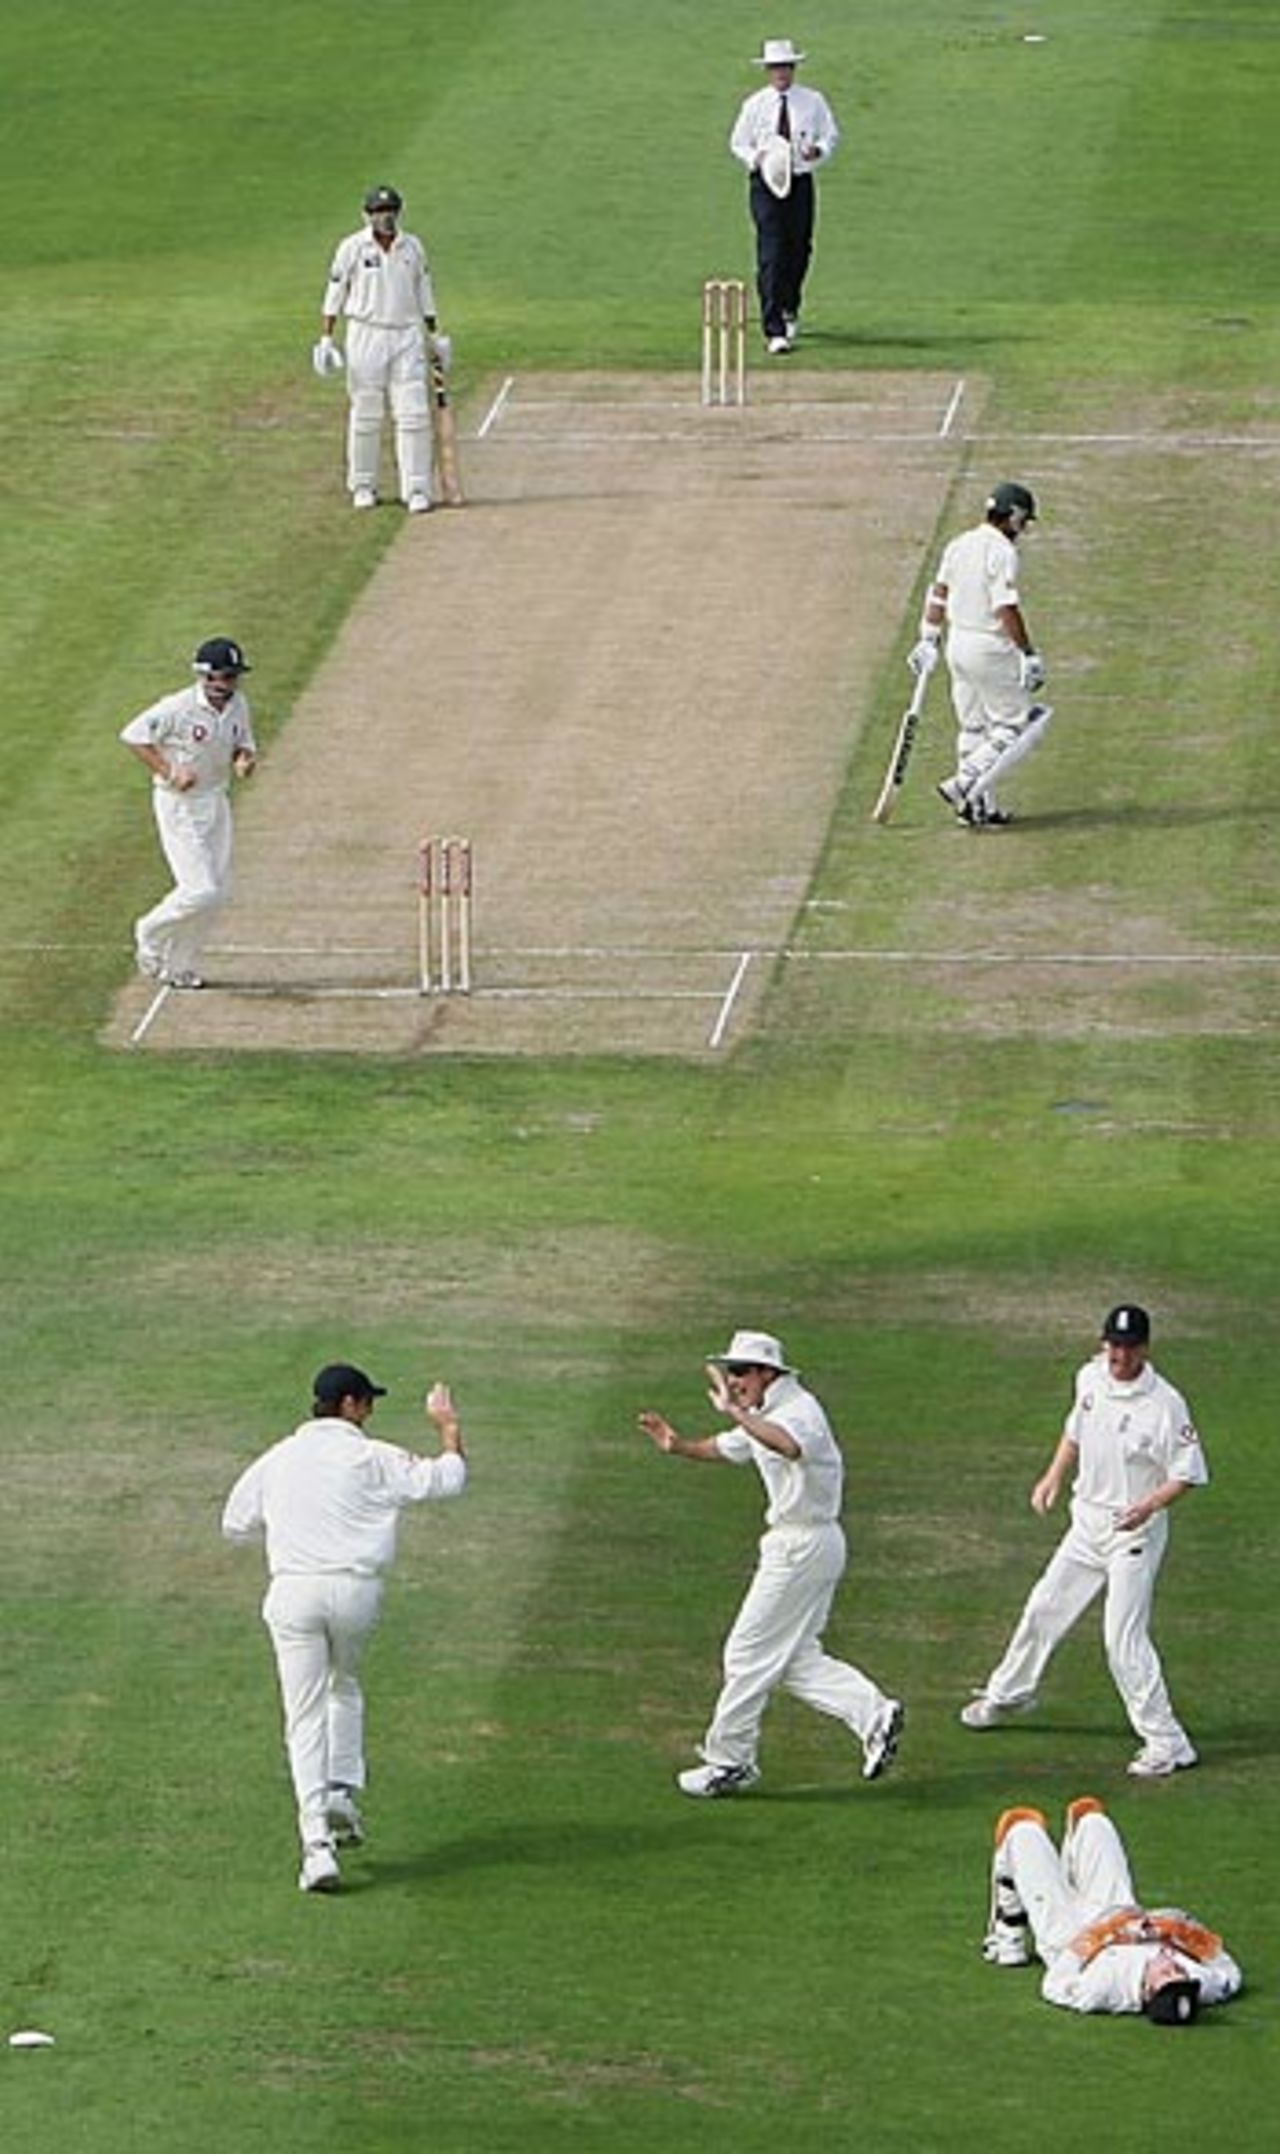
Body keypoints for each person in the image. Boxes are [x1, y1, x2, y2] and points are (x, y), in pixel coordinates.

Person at [221, 1362, 467, 1892]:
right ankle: (340, 1791)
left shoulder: (280, 1458)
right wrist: (447, 1429)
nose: (370, 1413)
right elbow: (448, 1479)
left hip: (294, 1592)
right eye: (368, 1403)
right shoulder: (373, 1457)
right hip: (356, 1593)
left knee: (304, 1714)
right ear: (350, 1406)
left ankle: (317, 1844)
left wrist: (290, 1520)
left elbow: (235, 1523)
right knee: (344, 1685)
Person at [638, 1329, 903, 1796]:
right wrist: (677, 1445)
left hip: (802, 1547)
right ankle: (874, 1715)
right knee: (794, 1657)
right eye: (731, 1372)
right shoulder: (765, 1414)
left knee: (745, 1653)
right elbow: (728, 1447)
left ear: (767, 1373)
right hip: (806, 1545)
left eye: (740, 1372)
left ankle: (729, 1762)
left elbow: (788, 1447)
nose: (734, 1380)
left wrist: (735, 1411)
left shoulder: (800, 1412)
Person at [959, 1305, 1207, 1778]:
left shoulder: (1166, 1405)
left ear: (1144, 1349)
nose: (1118, 1353)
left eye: (1128, 1346)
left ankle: (1168, 1743)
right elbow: (1074, 1432)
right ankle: (1007, 1694)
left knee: (1122, 1640)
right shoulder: (1090, 1379)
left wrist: (1149, 1506)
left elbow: (1187, 1474)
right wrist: (1052, 1476)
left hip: (1133, 1533)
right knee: (1043, 1607)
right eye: (1112, 1344)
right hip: (1086, 1524)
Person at [983, 1797, 1242, 2022]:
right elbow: (1229, 1974)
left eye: (1166, 1974)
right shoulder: (1204, 1985)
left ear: (1148, 1991)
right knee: (1094, 1821)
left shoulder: (1103, 1990)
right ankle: (1072, 1864)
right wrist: (1185, 1934)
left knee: (1022, 1830)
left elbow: (1053, 1986)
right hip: (1118, 1909)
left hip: (1067, 1936)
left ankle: (1006, 1936)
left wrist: (1105, 1934)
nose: (1174, 1966)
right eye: (1180, 1973)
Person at [907, 480, 1050, 828]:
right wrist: (1028, 652)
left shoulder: (959, 544)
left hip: (958, 644)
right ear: (1013, 518)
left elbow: (939, 593)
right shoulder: (1001, 551)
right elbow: (1005, 608)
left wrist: (928, 637)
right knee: (1022, 723)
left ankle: (977, 809)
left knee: (974, 727)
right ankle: (965, 783)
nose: (1023, 529)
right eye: (1024, 522)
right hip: (989, 648)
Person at [120, 636, 256, 989]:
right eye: (223, 677)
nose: (229, 685)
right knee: (199, 891)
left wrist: (244, 759)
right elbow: (133, 735)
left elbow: (243, 742)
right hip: (179, 806)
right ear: (205, 676)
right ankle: (147, 931)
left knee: (218, 892)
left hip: (216, 801)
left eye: (233, 677)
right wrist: (168, 771)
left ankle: (178, 967)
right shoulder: (177, 707)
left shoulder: (238, 704)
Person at [313, 184, 452, 514]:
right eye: (378, 213)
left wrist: (435, 334)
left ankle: (416, 489)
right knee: (366, 414)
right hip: (366, 334)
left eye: (390, 212)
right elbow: (335, 293)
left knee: (414, 414)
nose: (385, 219)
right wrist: (326, 338)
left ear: (399, 214)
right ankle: (363, 485)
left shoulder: (412, 247)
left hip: (406, 335)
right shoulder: (351, 248)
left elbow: (424, 291)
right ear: (367, 215)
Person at [729, 39, 840, 355]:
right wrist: (758, 158)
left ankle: (789, 306)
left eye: (787, 67)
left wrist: (817, 150)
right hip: (766, 184)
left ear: (794, 69)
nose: (782, 73)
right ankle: (773, 327)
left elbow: (830, 135)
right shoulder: (755, 104)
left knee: (799, 248)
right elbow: (738, 143)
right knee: (771, 251)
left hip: (801, 179)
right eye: (776, 68)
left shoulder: (812, 101)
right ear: (767, 71)